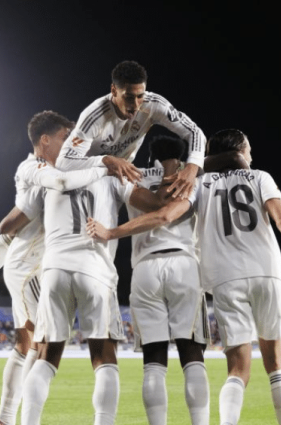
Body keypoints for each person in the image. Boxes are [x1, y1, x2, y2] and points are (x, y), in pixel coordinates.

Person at [87, 129, 281, 425]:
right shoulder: (259, 177)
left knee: (234, 369)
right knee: (274, 363)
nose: (251, 155)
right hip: (264, 271)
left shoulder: (199, 184)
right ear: (239, 151)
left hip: (220, 277)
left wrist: (112, 232)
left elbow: (164, 214)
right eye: (248, 149)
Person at [0, 111, 108, 425]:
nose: (71, 143)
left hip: (40, 268)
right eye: (64, 137)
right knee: (41, 345)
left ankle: (6, 419)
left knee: (28, 345)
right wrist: (105, 165)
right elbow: (5, 236)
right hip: (30, 269)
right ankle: (15, 420)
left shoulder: (63, 173)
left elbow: (5, 237)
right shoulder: (35, 171)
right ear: (45, 140)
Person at [20, 164, 166, 425]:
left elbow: (12, 223)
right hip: (95, 268)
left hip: (54, 269)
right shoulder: (110, 176)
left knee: (45, 358)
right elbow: (156, 204)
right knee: (104, 359)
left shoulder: (52, 177)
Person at [122, 135, 210, 425]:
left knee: (153, 361)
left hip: (145, 267)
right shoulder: (191, 180)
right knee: (192, 354)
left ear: (151, 155)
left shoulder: (133, 177)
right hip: (184, 264)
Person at [55, 60, 207, 200]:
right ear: (114, 90)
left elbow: (195, 132)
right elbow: (64, 162)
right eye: (128, 97)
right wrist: (107, 160)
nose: (135, 105)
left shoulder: (154, 105)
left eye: (140, 96)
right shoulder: (94, 117)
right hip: (88, 180)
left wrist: (192, 167)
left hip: (121, 177)